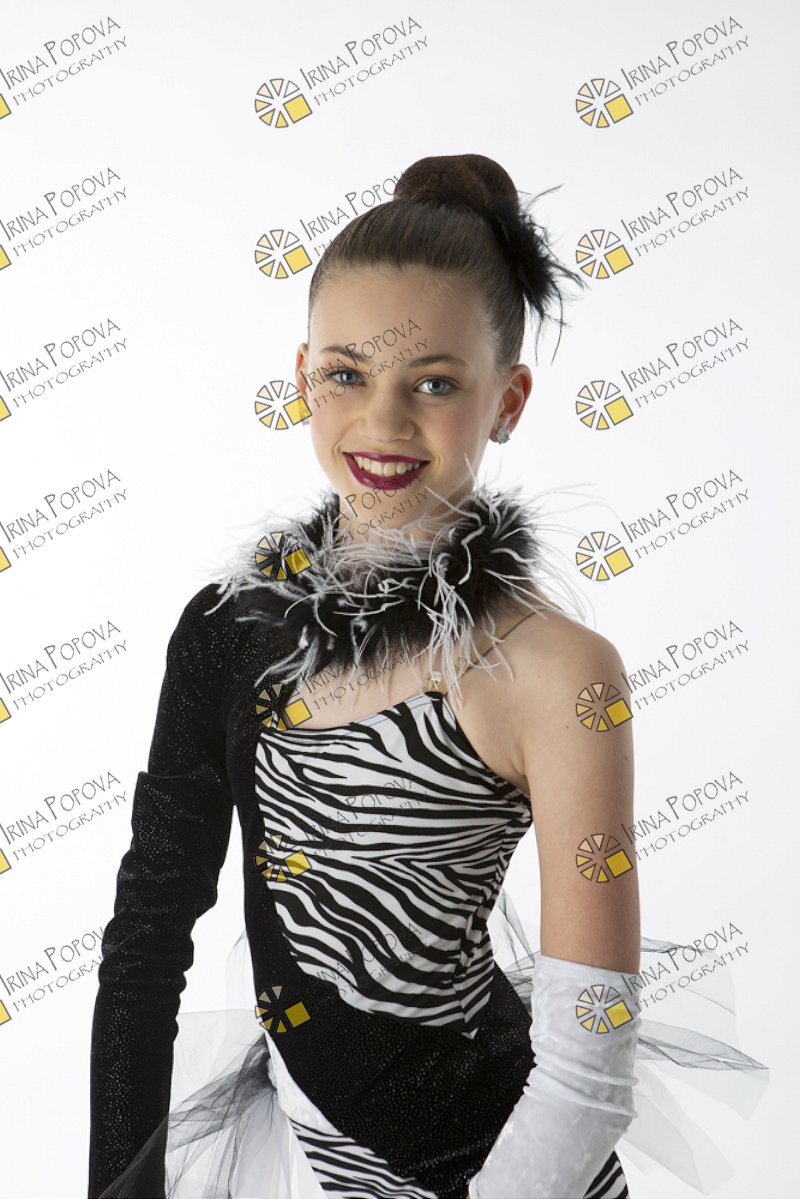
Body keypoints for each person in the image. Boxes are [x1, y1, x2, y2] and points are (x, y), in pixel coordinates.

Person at [87, 154, 767, 1199]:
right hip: (327, 1150)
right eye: (346, 374)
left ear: (508, 399)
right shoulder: (228, 633)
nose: (383, 421)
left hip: (509, 1164)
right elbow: (144, 943)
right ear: (302, 375)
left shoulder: (559, 673)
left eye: (436, 383)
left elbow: (589, 1071)